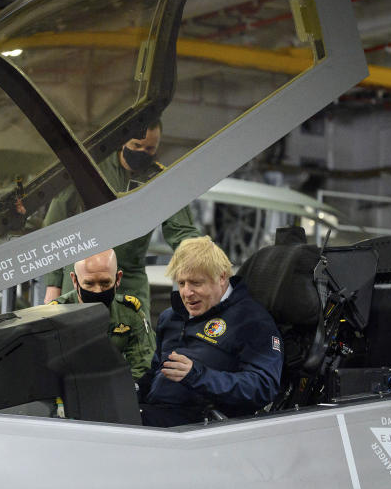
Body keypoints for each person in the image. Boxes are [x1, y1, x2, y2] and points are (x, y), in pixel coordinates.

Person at [42, 120, 201, 322]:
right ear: (122, 141)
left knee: (136, 342)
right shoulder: (89, 168)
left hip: (129, 277)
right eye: (136, 145)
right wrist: (53, 285)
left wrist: (201, 258)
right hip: (82, 274)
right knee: (73, 338)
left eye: (150, 148)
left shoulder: (160, 180)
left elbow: (182, 232)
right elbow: (54, 226)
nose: (142, 152)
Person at [136, 236, 283, 427]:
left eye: (196, 283)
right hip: (154, 414)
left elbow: (263, 387)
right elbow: (156, 372)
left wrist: (196, 375)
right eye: (181, 283)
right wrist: (132, 390)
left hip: (201, 427)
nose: (187, 293)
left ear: (222, 277)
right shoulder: (170, 317)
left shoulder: (252, 321)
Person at [48, 249, 156, 379]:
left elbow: (143, 364)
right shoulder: (55, 316)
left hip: (115, 388)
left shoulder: (129, 312)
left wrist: (124, 390)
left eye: (105, 283)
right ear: (75, 281)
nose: (98, 291)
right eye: (89, 283)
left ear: (118, 278)